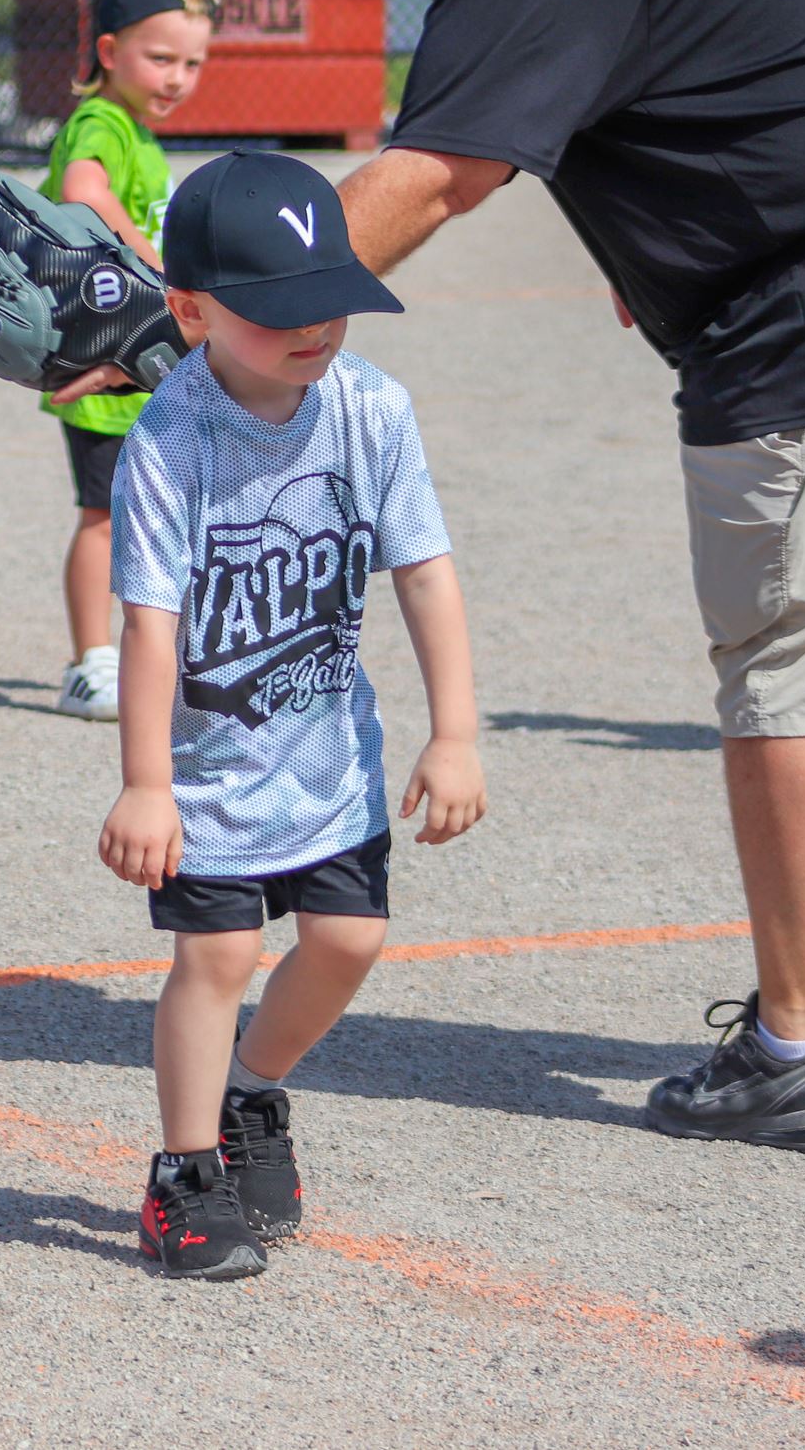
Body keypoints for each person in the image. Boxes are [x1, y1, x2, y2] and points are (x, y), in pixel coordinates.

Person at [253, 0, 805, 1153]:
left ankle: (804, 1045)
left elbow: (430, 176)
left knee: (795, 665)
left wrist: (216, 323)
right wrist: (658, 220)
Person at [101, 152, 487, 1281]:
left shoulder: (369, 408)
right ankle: (181, 1175)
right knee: (216, 952)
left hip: (330, 762)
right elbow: (149, 623)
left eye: (329, 297)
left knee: (349, 938)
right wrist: (144, 781)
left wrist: (453, 727)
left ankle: (248, 1091)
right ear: (190, 309)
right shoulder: (170, 437)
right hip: (211, 774)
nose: (313, 327)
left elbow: (421, 568)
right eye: (275, 312)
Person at [40, 0, 217, 722]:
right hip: (102, 356)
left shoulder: (136, 129)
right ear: (109, 51)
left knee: (158, 506)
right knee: (102, 514)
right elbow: (82, 192)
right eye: (161, 58)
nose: (178, 77)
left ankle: (150, 649)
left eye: (194, 63)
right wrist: (153, 262)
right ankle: (91, 661)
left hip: (138, 355)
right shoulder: (102, 123)